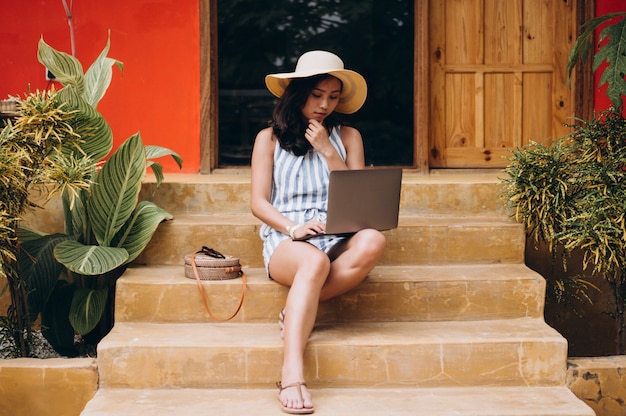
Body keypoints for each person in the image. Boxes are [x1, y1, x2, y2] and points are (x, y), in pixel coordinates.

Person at [250, 50, 386, 414]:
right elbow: (259, 204)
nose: (325, 104)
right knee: (312, 263)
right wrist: (294, 228)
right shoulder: (269, 139)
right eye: (317, 95)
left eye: (333, 96)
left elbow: (359, 196)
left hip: (337, 232)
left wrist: (328, 150)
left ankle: (297, 308)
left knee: (374, 239)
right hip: (288, 237)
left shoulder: (349, 136)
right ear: (298, 93)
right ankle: (291, 373)